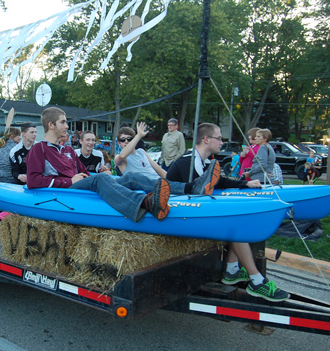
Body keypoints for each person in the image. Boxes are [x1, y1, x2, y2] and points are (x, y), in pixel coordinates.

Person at [26, 107, 220, 223]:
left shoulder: (68, 150)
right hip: (65, 191)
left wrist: (101, 172)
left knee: (130, 177)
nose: (67, 126)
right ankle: (146, 204)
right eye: (63, 122)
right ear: (51, 125)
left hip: (79, 184)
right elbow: (34, 180)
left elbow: (85, 172)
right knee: (101, 179)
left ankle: (191, 187)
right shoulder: (39, 149)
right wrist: (69, 181)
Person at [166, 123, 289, 302]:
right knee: (234, 224)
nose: (222, 142)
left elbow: (219, 182)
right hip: (179, 217)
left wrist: (245, 184)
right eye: (219, 138)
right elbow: (194, 193)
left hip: (192, 213)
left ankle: (232, 270)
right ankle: (256, 281)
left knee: (237, 221)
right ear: (206, 139)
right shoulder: (188, 161)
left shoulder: (204, 161)